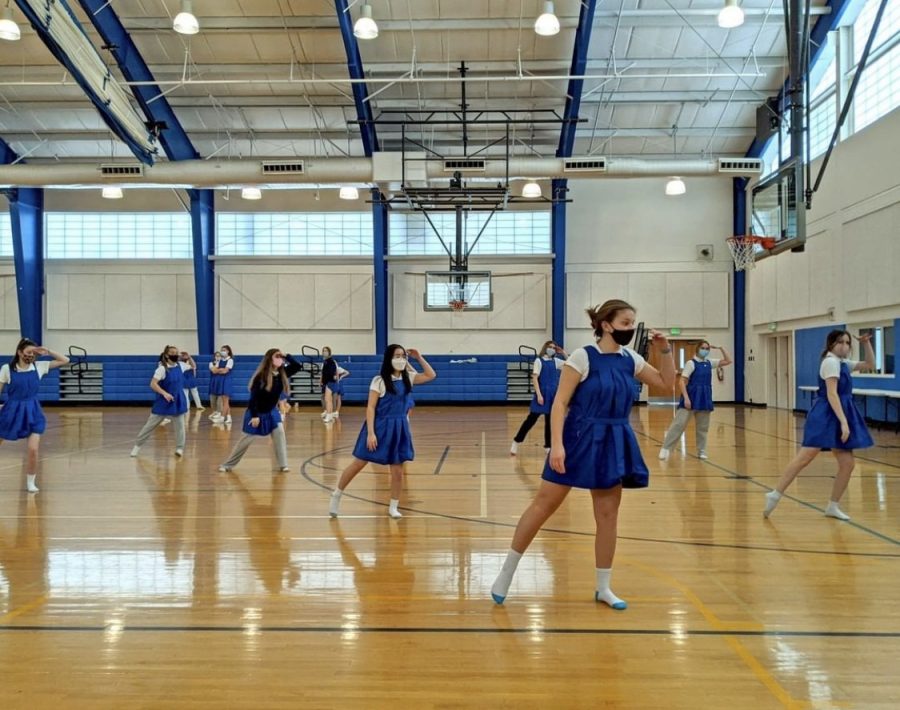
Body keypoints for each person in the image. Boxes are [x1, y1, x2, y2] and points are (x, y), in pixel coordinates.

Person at [490, 300, 675, 609]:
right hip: (579, 437)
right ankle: (506, 574)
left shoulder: (630, 358)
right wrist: (558, 445)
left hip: (615, 438)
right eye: (626, 323)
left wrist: (665, 349)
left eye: (633, 323)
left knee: (607, 517)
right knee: (543, 506)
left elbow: (667, 384)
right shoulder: (581, 357)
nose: (631, 328)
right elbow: (559, 403)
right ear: (606, 324)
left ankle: (604, 587)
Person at [764, 330, 875, 521]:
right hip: (826, 414)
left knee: (847, 464)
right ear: (831, 344)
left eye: (848, 343)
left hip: (840, 410)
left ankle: (833, 505)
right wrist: (843, 422)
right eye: (840, 342)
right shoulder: (830, 362)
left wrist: (866, 344)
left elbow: (870, 364)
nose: (844, 346)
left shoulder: (843, 363)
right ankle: (775, 493)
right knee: (805, 457)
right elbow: (832, 394)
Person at [328, 345, 436, 519]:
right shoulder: (379, 380)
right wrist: (371, 433)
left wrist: (419, 357)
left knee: (397, 471)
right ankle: (337, 494)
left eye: (403, 356)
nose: (400, 359)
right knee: (358, 463)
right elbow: (370, 408)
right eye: (397, 356)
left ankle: (393, 506)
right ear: (389, 359)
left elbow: (431, 375)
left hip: (399, 427)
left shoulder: (408, 376)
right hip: (379, 426)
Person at [0, 339, 70, 492]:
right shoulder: (7, 368)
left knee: (33, 449)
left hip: (32, 410)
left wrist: (48, 351)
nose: (31, 355)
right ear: (19, 352)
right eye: (28, 352)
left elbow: (65, 360)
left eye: (34, 353)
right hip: (11, 409)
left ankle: (31, 482)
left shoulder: (39, 367)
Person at [218, 349, 303, 473]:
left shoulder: (282, 373)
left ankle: (283, 464)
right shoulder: (261, 376)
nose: (280, 358)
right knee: (246, 439)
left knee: (280, 433)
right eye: (277, 356)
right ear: (270, 359)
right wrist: (254, 416)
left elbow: (297, 366)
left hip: (272, 411)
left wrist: (286, 355)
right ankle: (227, 465)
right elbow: (254, 399)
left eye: (281, 357)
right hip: (256, 411)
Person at [658, 341, 732, 460]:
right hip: (691, 397)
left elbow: (728, 361)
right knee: (678, 424)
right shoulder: (691, 363)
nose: (705, 350)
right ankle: (666, 448)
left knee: (703, 427)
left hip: (704, 397)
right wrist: (686, 398)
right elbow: (681, 381)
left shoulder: (709, 363)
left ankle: (701, 450)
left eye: (707, 348)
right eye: (703, 348)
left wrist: (721, 347)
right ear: (697, 349)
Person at [130, 345, 191, 459]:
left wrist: (189, 357)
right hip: (164, 401)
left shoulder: (181, 366)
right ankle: (137, 446)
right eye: (173, 353)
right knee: (150, 425)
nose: (176, 355)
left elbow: (192, 366)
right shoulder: (162, 369)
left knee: (180, 426)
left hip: (177, 400)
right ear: (167, 355)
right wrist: (165, 393)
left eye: (177, 353)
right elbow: (153, 384)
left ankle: (179, 448)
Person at [510, 340, 567, 455]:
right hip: (542, 394)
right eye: (550, 347)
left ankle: (548, 446)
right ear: (545, 348)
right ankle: (516, 441)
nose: (552, 349)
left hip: (553, 395)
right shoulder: (539, 361)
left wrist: (563, 352)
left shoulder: (556, 361)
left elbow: (570, 363)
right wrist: (539, 395)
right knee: (531, 420)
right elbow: (535, 378)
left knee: (550, 421)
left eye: (554, 347)